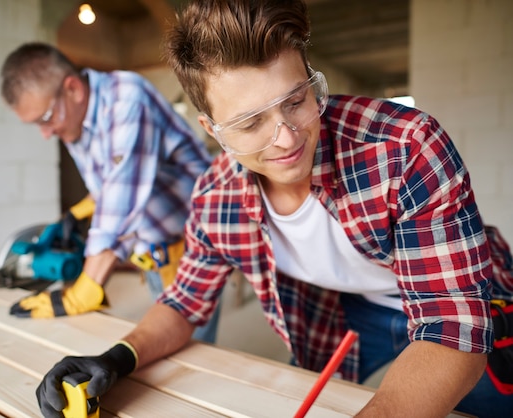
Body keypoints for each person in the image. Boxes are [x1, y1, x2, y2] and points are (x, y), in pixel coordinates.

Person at [34, 1, 513, 417]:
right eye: (249, 122)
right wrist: (119, 357)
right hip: (348, 310)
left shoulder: (404, 146)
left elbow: (451, 327)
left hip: (468, 298)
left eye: (296, 99)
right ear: (211, 128)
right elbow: (183, 304)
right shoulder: (214, 198)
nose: (286, 138)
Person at [0, 42, 222, 343]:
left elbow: (121, 198)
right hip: (153, 248)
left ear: (73, 89)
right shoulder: (73, 123)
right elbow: (107, 188)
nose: (45, 132)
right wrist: (74, 215)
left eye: (45, 118)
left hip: (196, 241)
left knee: (192, 349)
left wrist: (84, 290)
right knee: (168, 340)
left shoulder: (127, 98)